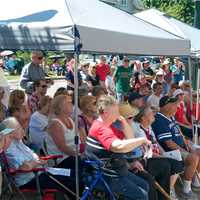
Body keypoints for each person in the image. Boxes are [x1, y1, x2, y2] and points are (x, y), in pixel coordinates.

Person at [85, 95, 150, 200]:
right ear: (105, 113)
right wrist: (141, 140)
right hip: (108, 176)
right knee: (141, 195)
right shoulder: (101, 128)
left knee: (145, 186)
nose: (118, 114)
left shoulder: (107, 125)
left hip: (117, 171)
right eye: (116, 112)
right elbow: (118, 147)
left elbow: (130, 137)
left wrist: (123, 120)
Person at [2, 117, 80, 199]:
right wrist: (39, 162)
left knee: (72, 174)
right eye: (18, 128)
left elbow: (32, 159)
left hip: (41, 172)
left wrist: (38, 161)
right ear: (10, 133)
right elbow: (26, 167)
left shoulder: (19, 142)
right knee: (71, 182)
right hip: (30, 179)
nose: (22, 129)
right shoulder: (9, 149)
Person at [152, 96, 200, 199]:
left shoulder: (171, 117)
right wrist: (184, 150)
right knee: (193, 158)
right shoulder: (159, 120)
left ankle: (195, 180)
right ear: (165, 106)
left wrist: (187, 143)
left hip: (181, 146)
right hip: (171, 151)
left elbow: (179, 134)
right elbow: (168, 143)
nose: (176, 107)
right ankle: (186, 190)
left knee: (199, 152)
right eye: (174, 105)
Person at [132, 106, 184, 200]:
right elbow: (147, 153)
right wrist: (162, 157)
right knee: (168, 164)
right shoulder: (140, 132)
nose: (153, 114)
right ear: (143, 118)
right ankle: (165, 194)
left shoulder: (149, 128)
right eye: (150, 113)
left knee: (177, 163)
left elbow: (156, 143)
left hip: (156, 155)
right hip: (148, 159)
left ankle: (168, 190)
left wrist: (164, 154)